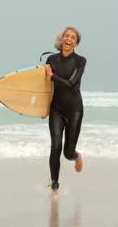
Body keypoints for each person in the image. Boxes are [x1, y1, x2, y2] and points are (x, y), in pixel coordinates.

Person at [42, 26, 86, 196]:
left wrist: (52, 75)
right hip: (56, 109)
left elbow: (71, 83)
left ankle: (77, 157)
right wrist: (43, 108)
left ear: (76, 43)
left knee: (68, 152)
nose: (68, 39)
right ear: (62, 40)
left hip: (74, 110)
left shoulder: (80, 61)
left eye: (72, 37)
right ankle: (54, 186)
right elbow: (45, 88)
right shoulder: (51, 59)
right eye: (66, 36)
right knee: (55, 147)